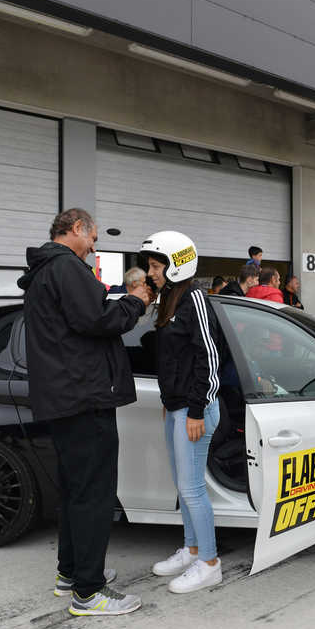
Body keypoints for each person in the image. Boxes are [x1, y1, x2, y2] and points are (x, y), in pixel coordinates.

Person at [17, 208, 152, 616]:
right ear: (77, 229)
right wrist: (136, 302)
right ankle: (88, 594)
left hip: (63, 397)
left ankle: (71, 574)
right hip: (83, 396)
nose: (94, 248)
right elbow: (97, 319)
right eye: (93, 239)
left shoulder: (44, 272)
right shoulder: (67, 268)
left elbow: (78, 321)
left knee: (75, 489)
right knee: (93, 493)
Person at [141, 231, 225, 594]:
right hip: (176, 409)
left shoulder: (194, 299)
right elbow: (172, 359)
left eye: (157, 265)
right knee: (183, 486)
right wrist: (169, 403)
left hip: (196, 410)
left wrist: (195, 410)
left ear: (177, 265)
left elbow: (209, 358)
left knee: (193, 490)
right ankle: (192, 550)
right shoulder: (169, 300)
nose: (151, 272)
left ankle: (209, 563)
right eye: (150, 265)